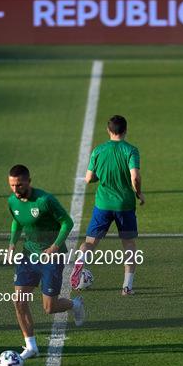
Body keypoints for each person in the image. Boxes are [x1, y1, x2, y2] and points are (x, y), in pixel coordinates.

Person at [7, 164, 85, 360]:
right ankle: (31, 346)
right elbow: (17, 221)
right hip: (29, 254)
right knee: (18, 300)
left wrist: (55, 247)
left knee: (49, 308)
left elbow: (67, 222)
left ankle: (75, 305)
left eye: (19, 185)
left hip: (52, 256)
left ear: (29, 182)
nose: (15, 189)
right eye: (12, 185)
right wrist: (11, 244)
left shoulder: (45, 200)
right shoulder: (12, 201)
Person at [71, 115, 145, 296]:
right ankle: (127, 286)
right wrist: (139, 193)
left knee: (90, 242)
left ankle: (80, 260)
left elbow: (89, 179)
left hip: (102, 204)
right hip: (125, 205)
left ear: (108, 130)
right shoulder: (131, 150)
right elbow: (134, 176)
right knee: (128, 244)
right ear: (125, 130)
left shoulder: (98, 150)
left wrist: (99, 176)